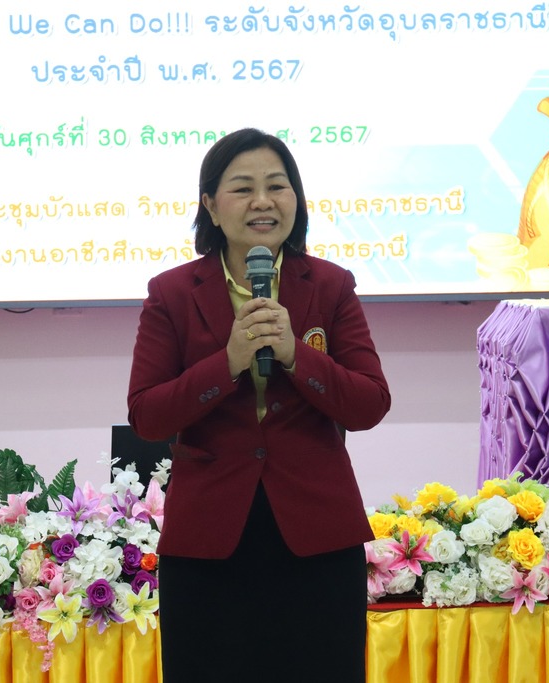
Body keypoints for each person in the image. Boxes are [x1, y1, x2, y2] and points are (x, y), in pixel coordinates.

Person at [127, 128, 391, 683]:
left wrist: (296, 355)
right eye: (243, 188)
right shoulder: (172, 293)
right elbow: (148, 416)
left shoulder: (330, 285)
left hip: (317, 534)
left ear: (296, 198)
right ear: (210, 205)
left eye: (277, 186)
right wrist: (227, 363)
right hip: (209, 540)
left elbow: (368, 404)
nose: (263, 201)